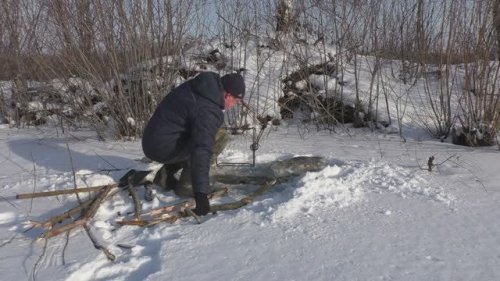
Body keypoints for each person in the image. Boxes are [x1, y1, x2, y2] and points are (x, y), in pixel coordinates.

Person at [142, 71, 245, 216]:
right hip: (162, 147)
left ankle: (165, 174)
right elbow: (201, 149)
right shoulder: (208, 110)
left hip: (154, 140)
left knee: (201, 136)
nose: (235, 105)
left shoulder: (201, 88)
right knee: (217, 139)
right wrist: (201, 193)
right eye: (236, 101)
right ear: (228, 95)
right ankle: (187, 184)